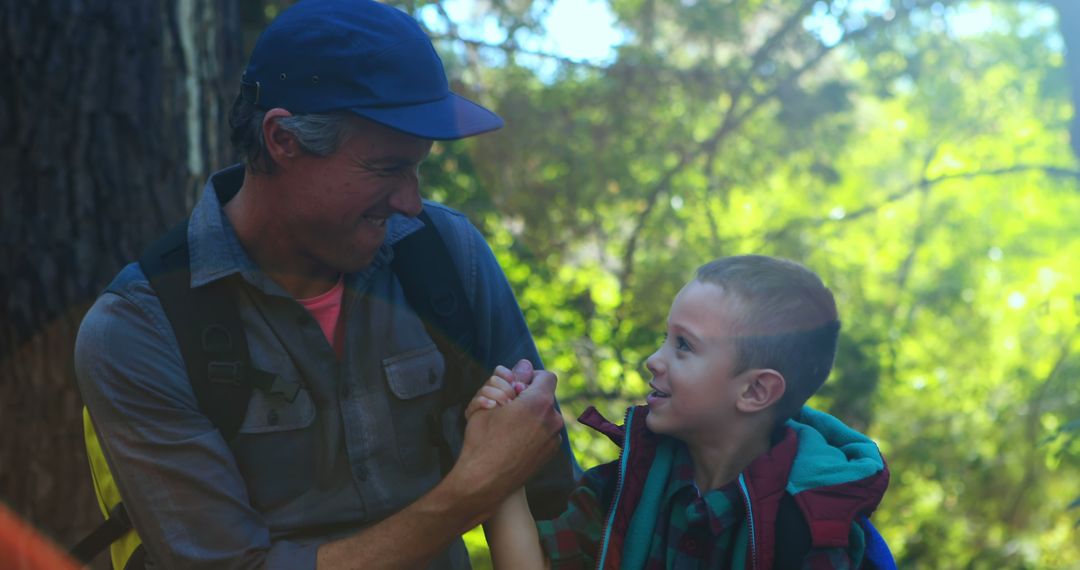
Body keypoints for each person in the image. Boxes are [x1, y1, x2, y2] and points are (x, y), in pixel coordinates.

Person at [74, 1, 575, 568]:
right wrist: (470, 491)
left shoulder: (445, 256)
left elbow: (554, 502)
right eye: (386, 168)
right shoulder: (141, 331)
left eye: (418, 168)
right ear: (283, 139)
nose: (411, 202)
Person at [467, 255, 892, 569]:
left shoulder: (807, 527)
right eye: (664, 338)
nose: (654, 359)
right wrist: (498, 464)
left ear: (756, 390)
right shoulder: (625, 486)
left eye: (684, 345)